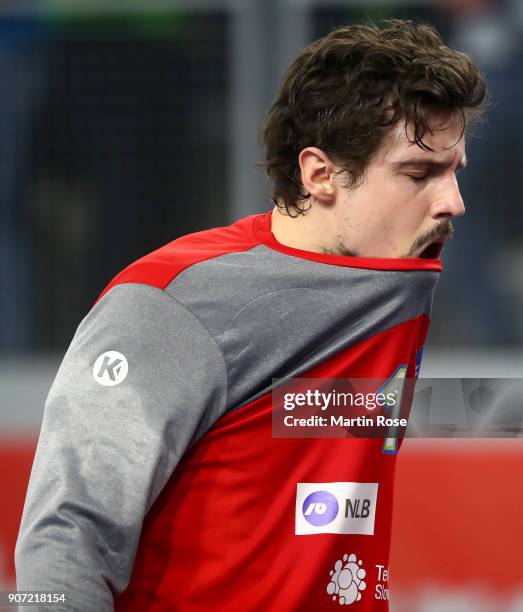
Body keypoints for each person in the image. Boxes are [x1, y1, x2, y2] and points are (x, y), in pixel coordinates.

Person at [15, 19, 485, 611]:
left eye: (455, 172)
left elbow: (311, 410)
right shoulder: (168, 305)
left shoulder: (396, 273)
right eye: (418, 174)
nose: (453, 203)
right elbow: (64, 537)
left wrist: (497, 410)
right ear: (320, 175)